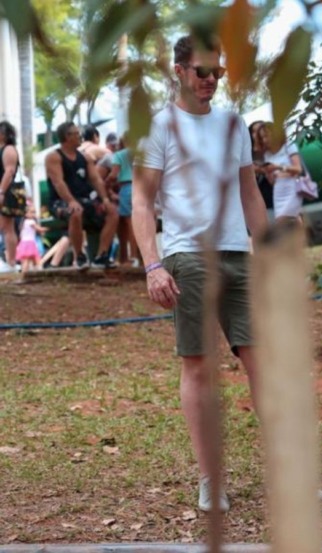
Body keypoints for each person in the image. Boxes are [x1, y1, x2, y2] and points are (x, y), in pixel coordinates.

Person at [132, 34, 269, 513]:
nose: (211, 80)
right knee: (199, 364)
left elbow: (250, 194)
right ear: (179, 71)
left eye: (218, 72)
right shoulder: (160, 127)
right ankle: (211, 479)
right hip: (188, 256)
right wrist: (152, 265)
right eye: (202, 71)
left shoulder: (234, 124)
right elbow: (142, 203)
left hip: (237, 255)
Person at [45, 121, 120, 269]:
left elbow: (96, 180)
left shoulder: (85, 158)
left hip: (85, 200)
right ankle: (79, 256)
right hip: (60, 201)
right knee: (75, 212)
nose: (80, 136)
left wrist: (105, 199)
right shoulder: (54, 157)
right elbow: (58, 183)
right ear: (67, 137)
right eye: (76, 134)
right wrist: (71, 201)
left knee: (113, 212)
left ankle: (101, 255)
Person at [254, 122, 305, 221]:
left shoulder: (288, 145)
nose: (265, 140)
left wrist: (278, 167)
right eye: (262, 138)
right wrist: (268, 173)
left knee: (288, 219)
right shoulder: (267, 154)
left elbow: (298, 169)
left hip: (292, 187)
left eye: (266, 136)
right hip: (278, 190)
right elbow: (272, 182)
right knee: (286, 220)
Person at [109, 134, 140, 267]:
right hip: (140, 188)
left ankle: (132, 256)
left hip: (126, 188)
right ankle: (137, 256)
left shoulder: (119, 155)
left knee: (130, 223)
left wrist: (106, 183)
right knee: (139, 222)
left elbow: (114, 174)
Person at [0, 120, 25, 272]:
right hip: (4, 192)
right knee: (8, 227)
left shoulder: (8, 149)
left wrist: (1, 191)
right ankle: (10, 262)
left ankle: (10, 262)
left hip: (7, 192)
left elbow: (9, 171)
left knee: (6, 226)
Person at [249, 121, 276, 218]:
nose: (258, 134)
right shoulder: (245, 156)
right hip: (255, 206)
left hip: (277, 201)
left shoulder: (276, 152)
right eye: (254, 131)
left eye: (261, 130)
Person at [16, 208, 46, 275]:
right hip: (29, 243)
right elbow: (39, 229)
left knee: (30, 260)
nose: (33, 214)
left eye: (34, 212)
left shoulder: (23, 223)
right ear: (26, 214)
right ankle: (30, 273)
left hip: (23, 243)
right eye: (32, 212)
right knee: (30, 260)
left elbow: (21, 235)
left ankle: (27, 273)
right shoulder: (31, 222)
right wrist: (47, 229)